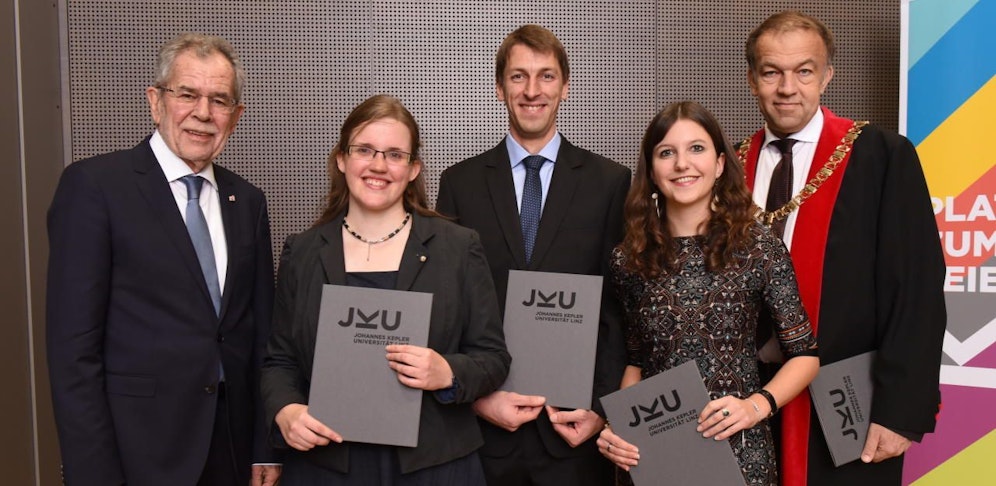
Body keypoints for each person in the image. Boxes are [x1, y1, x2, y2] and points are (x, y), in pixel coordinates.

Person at [47, 33, 280, 485]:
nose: (203, 113)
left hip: (229, 453)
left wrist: (262, 450)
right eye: (187, 94)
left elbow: (259, 337)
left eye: (219, 100)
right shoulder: (95, 187)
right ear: (156, 101)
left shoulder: (247, 201)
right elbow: (72, 352)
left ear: (236, 116)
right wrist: (93, 473)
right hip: (135, 453)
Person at [738, 11, 947, 485]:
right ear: (753, 81)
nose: (788, 87)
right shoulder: (729, 166)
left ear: (827, 75)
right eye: (772, 72)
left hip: (850, 402)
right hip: (747, 405)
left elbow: (915, 290)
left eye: (804, 71)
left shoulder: (881, 157)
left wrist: (900, 411)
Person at [260, 94, 510, 485]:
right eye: (365, 150)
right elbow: (279, 361)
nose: (379, 165)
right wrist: (286, 410)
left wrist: (447, 371)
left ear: (413, 169)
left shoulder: (458, 247)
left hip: (435, 467)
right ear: (342, 159)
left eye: (395, 154)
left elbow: (493, 358)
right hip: (326, 465)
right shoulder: (304, 252)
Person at [435, 24, 631, 486]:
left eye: (545, 76)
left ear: (564, 86)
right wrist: (476, 400)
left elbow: (620, 306)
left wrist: (602, 408)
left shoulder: (610, 183)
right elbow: (446, 308)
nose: (532, 90)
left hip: (573, 432)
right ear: (500, 88)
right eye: (518, 77)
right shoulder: (459, 184)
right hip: (485, 429)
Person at [595, 101, 819, 485]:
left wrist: (756, 406)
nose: (682, 163)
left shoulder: (757, 247)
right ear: (652, 171)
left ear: (719, 164)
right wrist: (618, 426)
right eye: (667, 152)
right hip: (654, 454)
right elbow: (636, 360)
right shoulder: (628, 258)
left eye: (696, 148)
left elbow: (805, 355)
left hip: (739, 448)